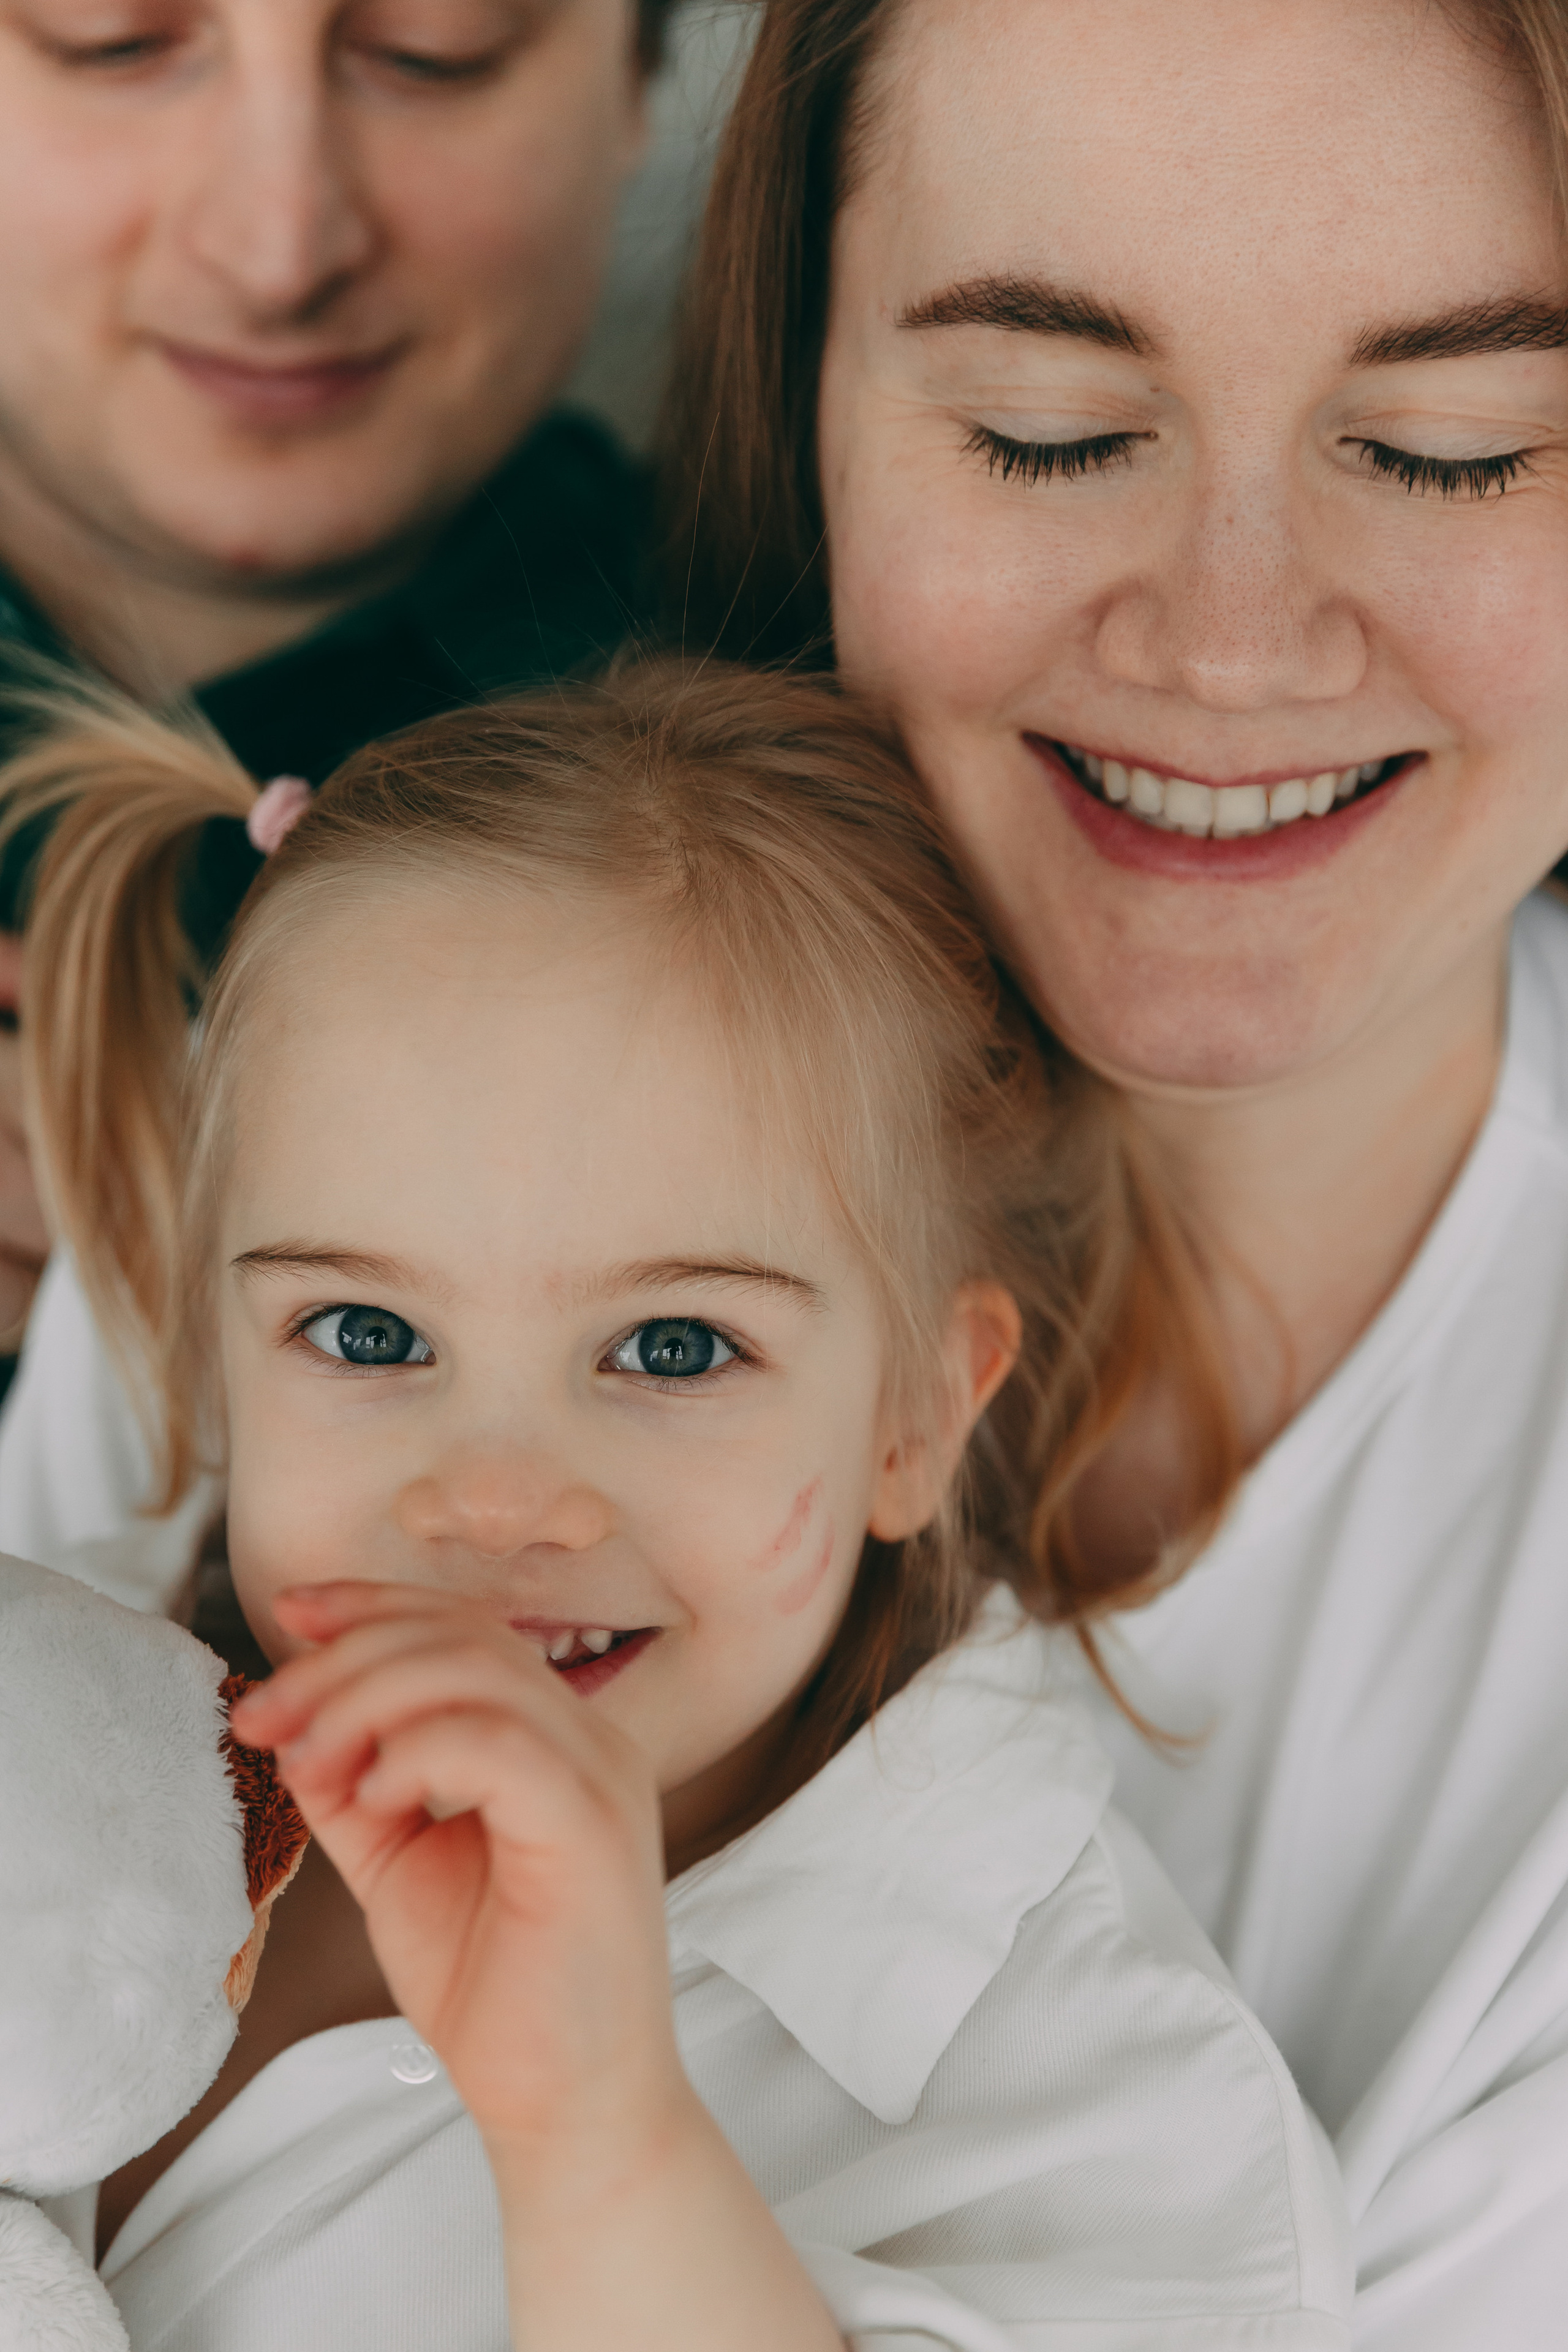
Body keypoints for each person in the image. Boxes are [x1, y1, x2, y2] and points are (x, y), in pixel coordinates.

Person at [7, 665, 1348, 2347]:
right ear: (213, 1352)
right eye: (365, 1333)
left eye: (671, 1346)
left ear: (919, 1416)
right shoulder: (48, 1699)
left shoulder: (1110, 2135)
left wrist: (597, 2134)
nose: (495, 1498)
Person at [662, 1, 1568, 2343]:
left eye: (1456, 450)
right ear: (813, 426)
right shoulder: (331, 1151)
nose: (1235, 640)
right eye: (1052, 437)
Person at [0, 0, 677, 1576]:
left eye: (436, 47)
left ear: (642, 73)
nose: (278, 244)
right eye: (110, 38)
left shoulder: (868, 787)